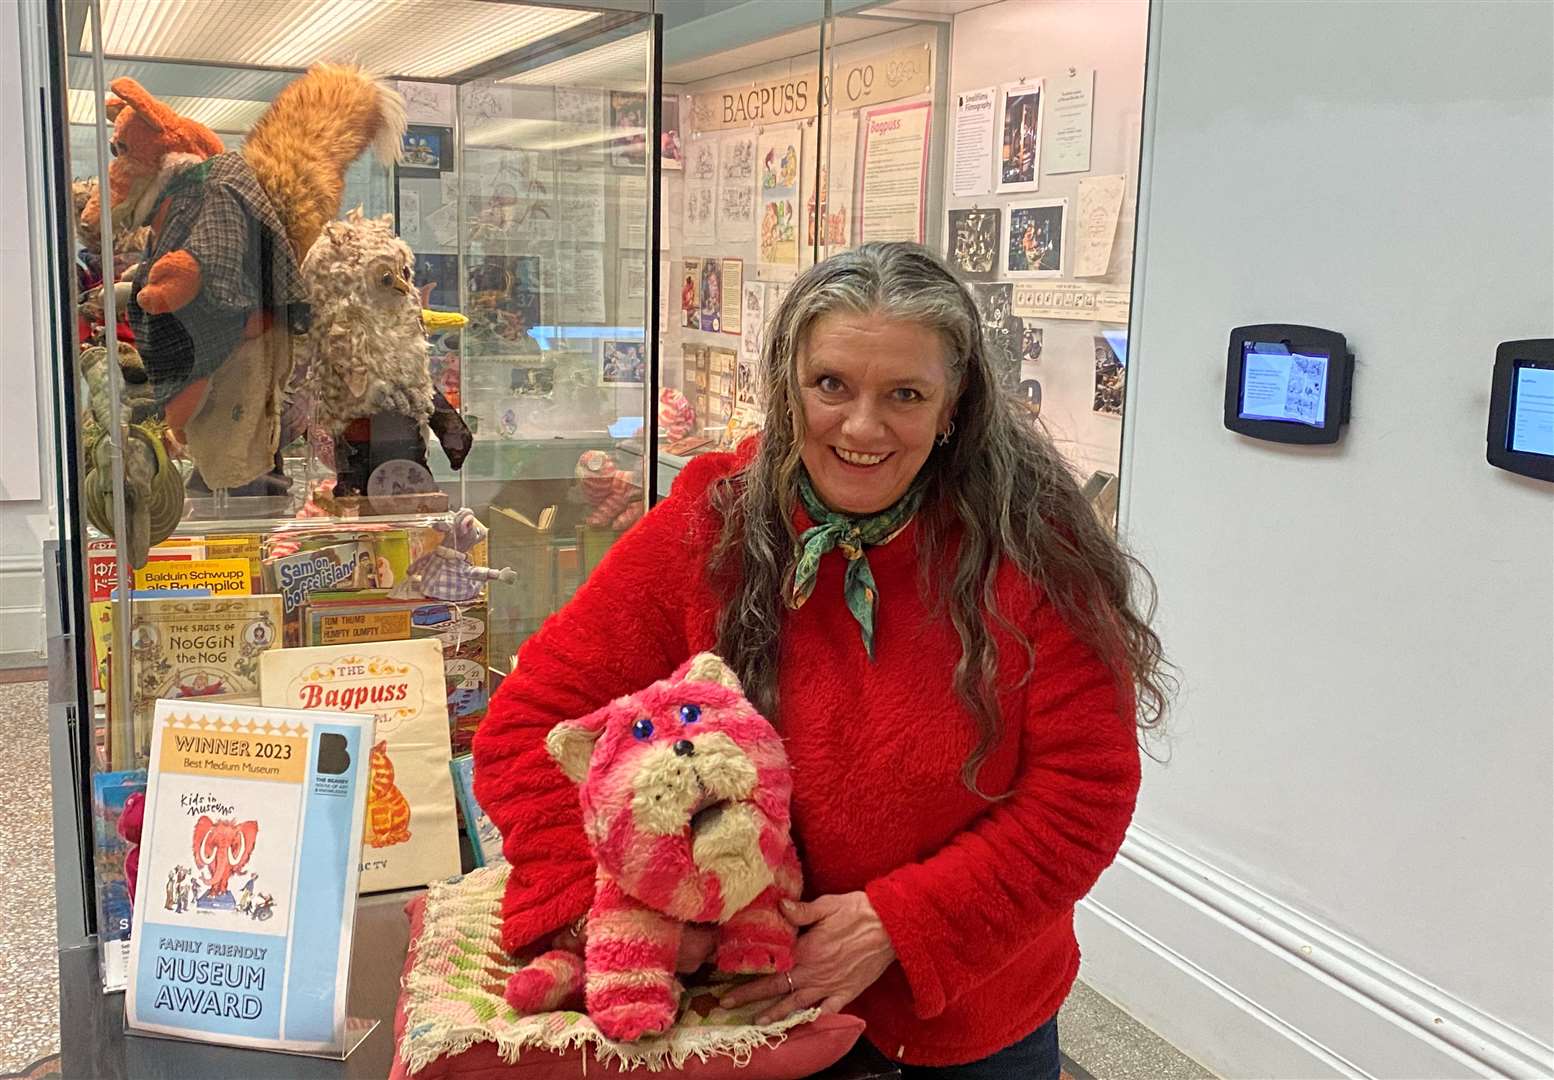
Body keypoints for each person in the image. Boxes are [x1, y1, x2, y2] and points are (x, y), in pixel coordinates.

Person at [473, 243, 1167, 1077]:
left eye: (905, 395)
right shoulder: (710, 526)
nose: (863, 427)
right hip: (736, 1020)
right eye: (831, 385)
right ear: (788, 383)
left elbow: (1082, 793)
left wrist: (901, 923)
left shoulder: (1034, 552)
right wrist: (629, 905)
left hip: (967, 1023)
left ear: (955, 408)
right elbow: (530, 725)